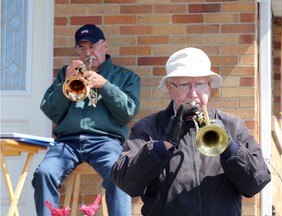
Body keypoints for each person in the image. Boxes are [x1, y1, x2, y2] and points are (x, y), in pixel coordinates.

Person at [110, 47, 271, 216]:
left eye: (200, 84)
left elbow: (256, 182)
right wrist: (162, 145)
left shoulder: (233, 125)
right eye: (185, 85)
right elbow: (126, 182)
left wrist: (229, 146)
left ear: (209, 87)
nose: (193, 94)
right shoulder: (147, 127)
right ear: (170, 88)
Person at [32, 24, 140, 216]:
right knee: (44, 173)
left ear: (104, 47)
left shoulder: (126, 77)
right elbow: (50, 110)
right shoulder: (67, 73)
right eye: (81, 48)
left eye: (92, 46)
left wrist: (105, 86)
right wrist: (65, 82)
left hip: (106, 141)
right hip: (67, 143)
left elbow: (127, 113)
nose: (87, 53)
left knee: (119, 173)